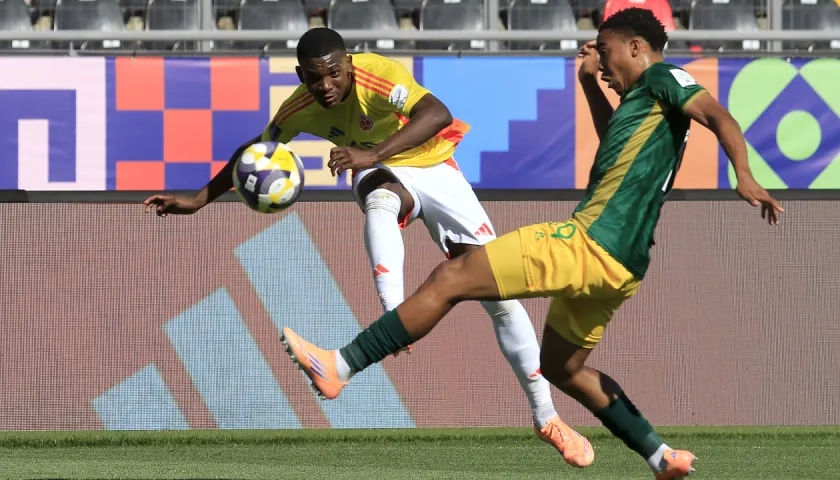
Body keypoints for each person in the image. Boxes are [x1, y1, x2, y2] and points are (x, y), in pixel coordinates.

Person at [279, 9, 785, 480]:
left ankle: (340, 366)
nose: (600, 63)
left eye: (603, 52)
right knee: (563, 368)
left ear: (636, 47)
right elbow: (615, 142)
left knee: (452, 277)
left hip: (586, 242)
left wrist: (743, 173)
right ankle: (660, 456)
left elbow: (719, 116)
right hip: (623, 267)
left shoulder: (664, 77)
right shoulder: (643, 105)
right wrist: (589, 84)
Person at [142, 27, 588, 465]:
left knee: (503, 301)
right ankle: (395, 311)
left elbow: (437, 114)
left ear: (348, 64)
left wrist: (371, 154)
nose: (326, 85)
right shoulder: (298, 108)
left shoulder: (378, 76)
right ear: (301, 75)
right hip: (379, 172)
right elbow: (258, 150)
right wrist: (200, 199)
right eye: (315, 77)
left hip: (434, 168)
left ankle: (546, 417)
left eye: (334, 74)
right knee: (380, 197)